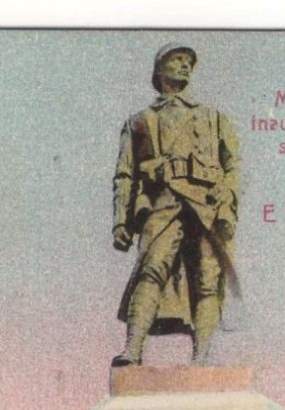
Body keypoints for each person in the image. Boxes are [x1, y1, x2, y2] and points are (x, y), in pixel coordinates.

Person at [112, 43, 240, 366]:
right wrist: (121, 222)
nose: (185, 66)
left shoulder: (214, 119)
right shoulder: (139, 122)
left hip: (207, 205)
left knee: (208, 279)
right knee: (150, 270)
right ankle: (132, 351)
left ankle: (202, 358)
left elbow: (233, 169)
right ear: (159, 71)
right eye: (176, 60)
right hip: (162, 202)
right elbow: (124, 175)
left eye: (188, 62)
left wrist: (228, 209)